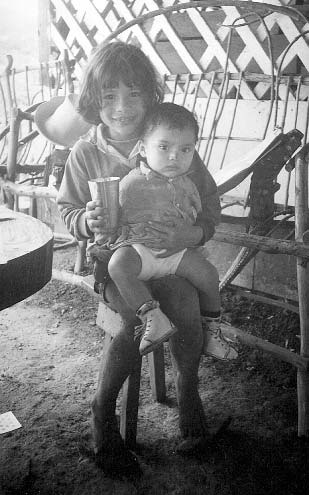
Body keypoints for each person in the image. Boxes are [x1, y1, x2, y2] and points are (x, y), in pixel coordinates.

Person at [56, 41, 235, 479]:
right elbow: (67, 210)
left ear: (149, 96)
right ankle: (102, 415)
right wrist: (86, 220)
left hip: (171, 258)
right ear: (93, 98)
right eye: (109, 95)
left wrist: (190, 233)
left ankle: (189, 394)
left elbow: (209, 207)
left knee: (187, 306)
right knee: (135, 322)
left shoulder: (168, 139)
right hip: (118, 264)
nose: (121, 107)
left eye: (134, 93)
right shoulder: (86, 152)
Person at [88, 102, 238, 359]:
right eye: (164, 147)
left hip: (176, 252)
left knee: (209, 275)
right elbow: (111, 223)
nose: (174, 156)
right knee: (118, 266)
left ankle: (212, 330)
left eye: (185, 149)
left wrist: (194, 233)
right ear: (143, 149)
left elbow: (204, 215)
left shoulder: (191, 184)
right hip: (138, 251)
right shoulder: (129, 184)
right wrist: (102, 237)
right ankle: (152, 318)